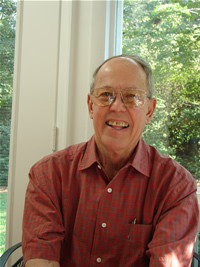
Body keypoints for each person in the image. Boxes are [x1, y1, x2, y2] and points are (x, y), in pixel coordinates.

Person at [22, 55, 199, 267]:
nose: (117, 106)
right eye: (106, 95)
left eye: (132, 96)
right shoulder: (48, 174)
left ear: (149, 111)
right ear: (90, 106)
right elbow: (41, 260)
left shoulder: (175, 186)